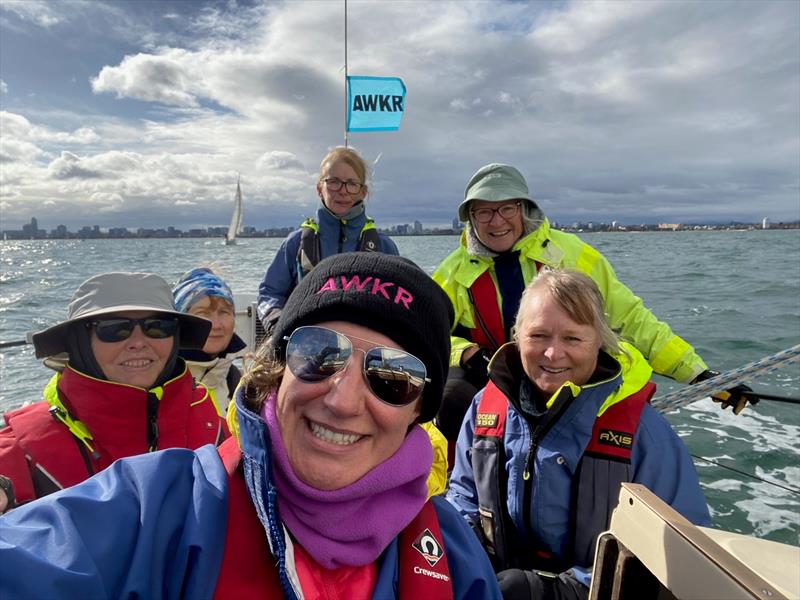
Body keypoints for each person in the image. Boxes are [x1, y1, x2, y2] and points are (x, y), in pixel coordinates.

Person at [0, 254, 502, 600]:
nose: (344, 401)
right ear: (275, 371)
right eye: (318, 354)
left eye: (393, 377)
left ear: (420, 410)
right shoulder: (157, 506)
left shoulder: (452, 550)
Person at [446, 269, 711, 600]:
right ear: (518, 337)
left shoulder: (644, 434)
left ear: (599, 342)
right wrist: (460, 556)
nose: (553, 354)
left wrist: (560, 592)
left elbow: (678, 549)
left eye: (572, 338)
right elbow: (463, 496)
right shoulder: (485, 406)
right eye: (538, 335)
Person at [433, 163, 728, 444]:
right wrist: (466, 352)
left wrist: (697, 375)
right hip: (494, 379)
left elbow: (630, 318)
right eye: (483, 212)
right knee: (450, 398)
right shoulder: (452, 273)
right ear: (471, 218)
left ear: (524, 209)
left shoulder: (572, 254)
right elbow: (429, 332)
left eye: (507, 208)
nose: (497, 221)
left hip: (567, 371)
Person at [0, 272, 229, 514]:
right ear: (80, 342)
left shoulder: (215, 429)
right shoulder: (19, 454)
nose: (138, 342)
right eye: (114, 329)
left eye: (158, 327)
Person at [257, 146, 399, 333]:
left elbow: (399, 301)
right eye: (333, 182)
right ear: (319, 188)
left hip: (364, 348)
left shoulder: (384, 247)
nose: (343, 191)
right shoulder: (296, 243)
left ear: (363, 192)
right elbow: (269, 293)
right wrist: (278, 325)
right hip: (306, 344)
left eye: (351, 183)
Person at [173, 266, 246, 414]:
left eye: (224, 312)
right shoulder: (161, 378)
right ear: (181, 320)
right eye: (203, 313)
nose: (216, 325)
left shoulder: (236, 381)